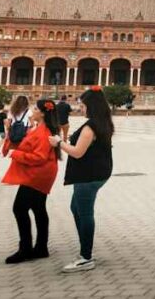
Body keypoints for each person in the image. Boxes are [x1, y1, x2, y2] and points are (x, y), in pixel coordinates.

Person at [50, 88, 113, 273]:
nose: (80, 108)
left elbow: (77, 153)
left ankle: (86, 257)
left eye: (83, 105)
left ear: (91, 106)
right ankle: (85, 248)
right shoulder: (103, 123)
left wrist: (59, 143)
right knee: (76, 208)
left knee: (84, 213)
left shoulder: (90, 127)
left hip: (88, 175)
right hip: (97, 173)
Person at [2, 98, 61, 264]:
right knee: (38, 207)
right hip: (41, 173)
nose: (32, 111)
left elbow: (39, 157)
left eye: (35, 109)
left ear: (42, 113)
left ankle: (26, 248)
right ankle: (41, 247)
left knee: (19, 209)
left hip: (37, 175)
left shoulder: (44, 132)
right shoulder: (42, 128)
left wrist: (15, 154)